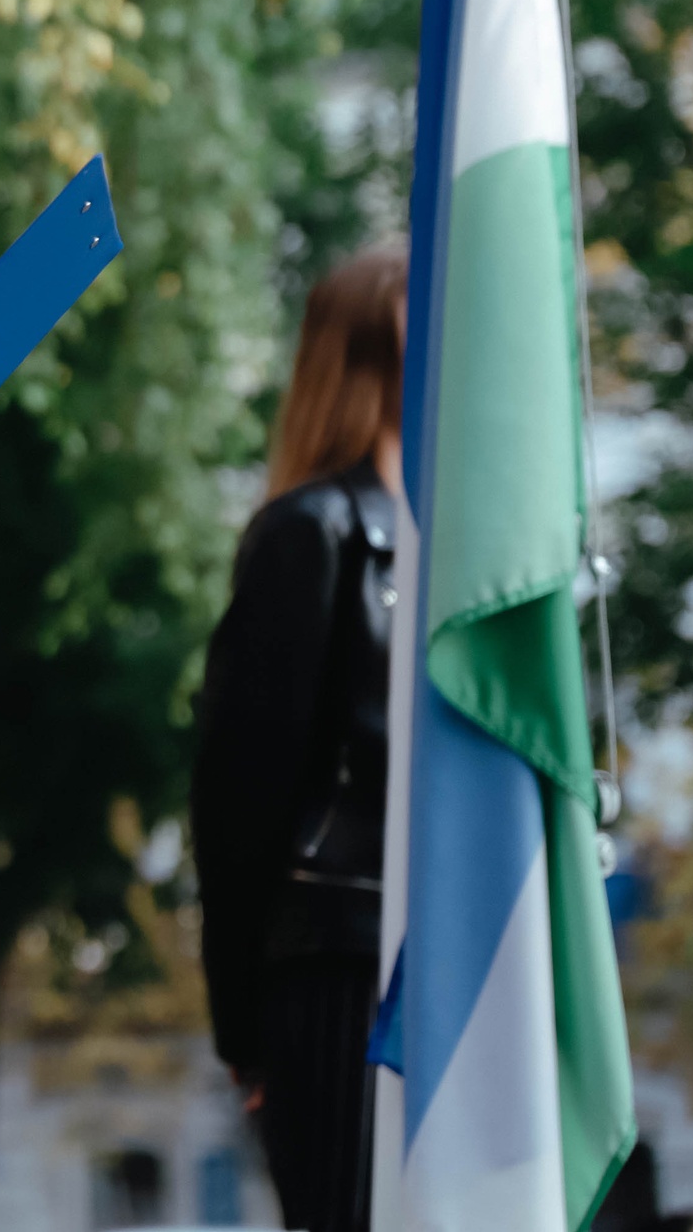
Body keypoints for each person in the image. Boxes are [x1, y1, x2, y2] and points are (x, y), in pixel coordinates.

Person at [191, 246, 406, 1232]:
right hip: (341, 962)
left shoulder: (468, 547)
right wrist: (243, 1027)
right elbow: (239, 798)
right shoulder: (310, 532)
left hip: (463, 943)